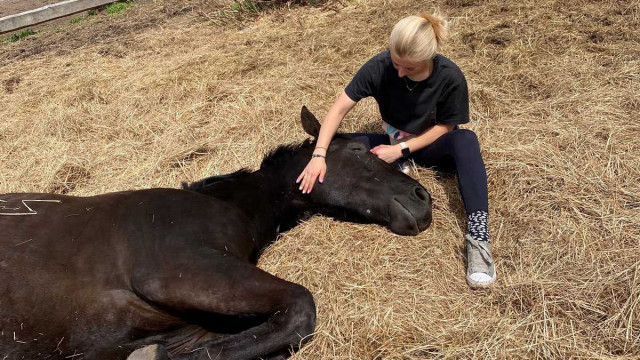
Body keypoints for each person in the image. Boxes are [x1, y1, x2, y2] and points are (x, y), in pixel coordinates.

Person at [296, 12, 496, 289]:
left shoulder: (450, 77)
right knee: (339, 145)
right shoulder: (379, 65)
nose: (400, 72)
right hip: (391, 139)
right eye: (395, 63)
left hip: (428, 143)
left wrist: (401, 150)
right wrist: (319, 153)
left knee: (466, 141)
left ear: (428, 58)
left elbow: (446, 127)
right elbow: (340, 107)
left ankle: (478, 236)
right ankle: (349, 152)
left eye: (409, 68)